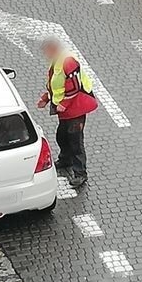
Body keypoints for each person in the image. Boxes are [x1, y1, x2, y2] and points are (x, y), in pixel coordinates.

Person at [36, 38, 98, 188]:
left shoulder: (68, 62)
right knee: (62, 136)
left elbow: (74, 86)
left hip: (76, 109)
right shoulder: (57, 61)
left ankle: (80, 173)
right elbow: (57, 85)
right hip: (66, 111)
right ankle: (66, 159)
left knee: (76, 141)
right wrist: (47, 97)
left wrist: (64, 103)